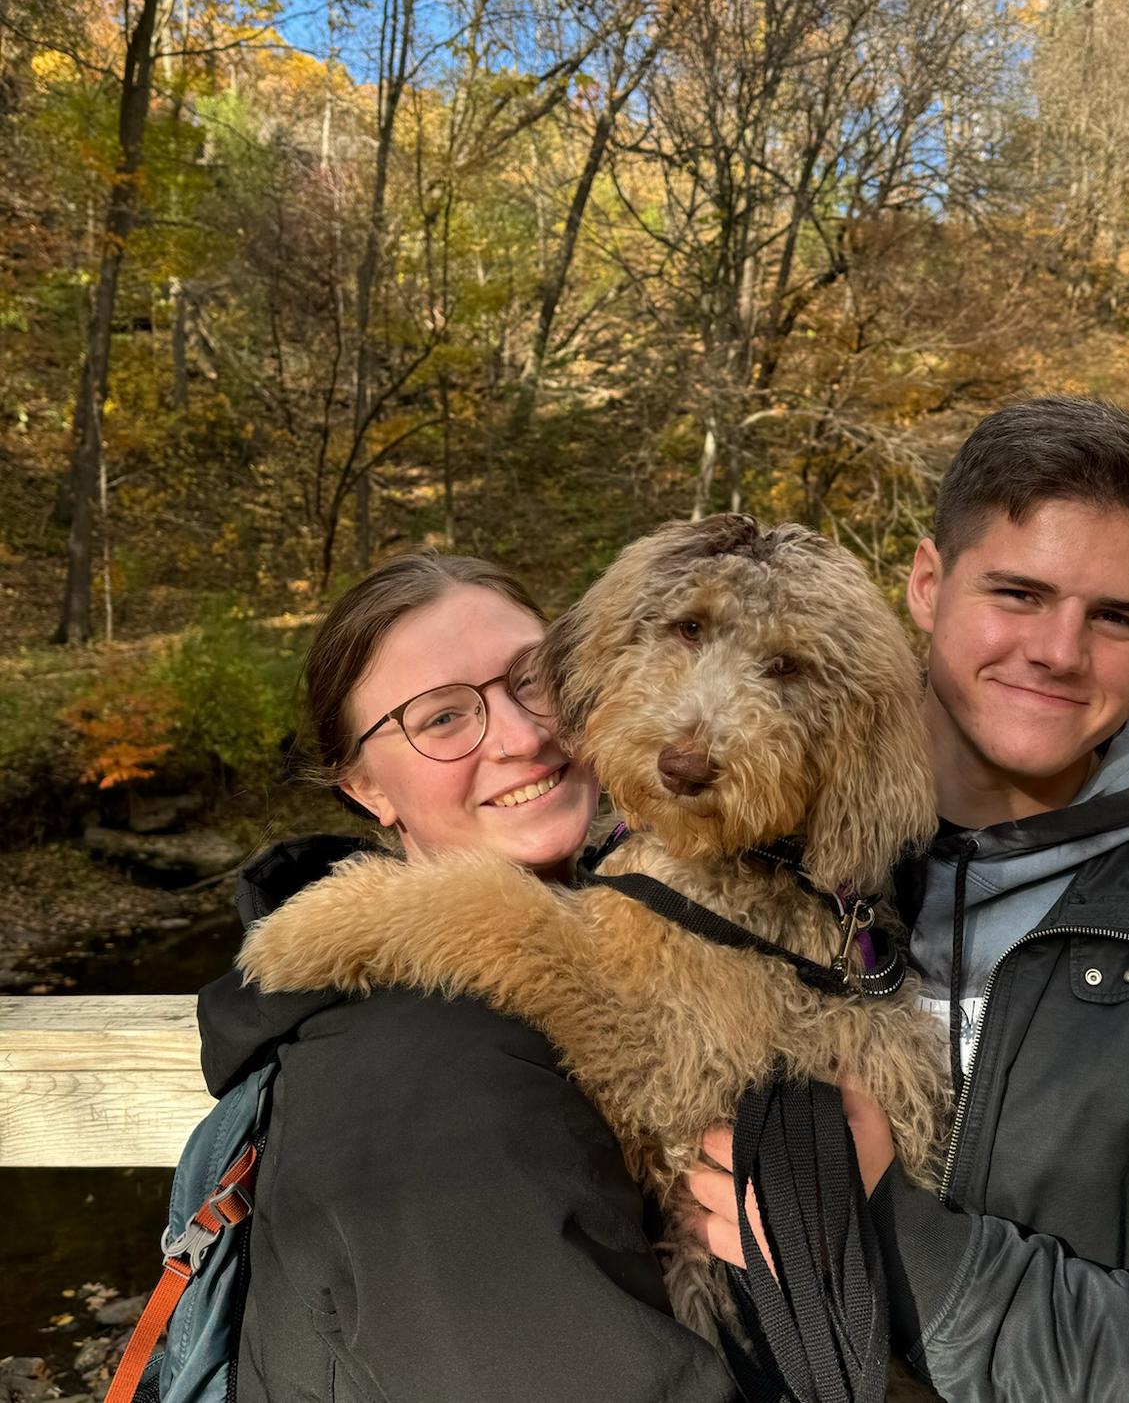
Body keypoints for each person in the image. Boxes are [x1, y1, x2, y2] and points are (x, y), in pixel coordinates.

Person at [694, 396, 1129, 1400]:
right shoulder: (749, 832)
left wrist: (892, 1239)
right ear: (929, 585)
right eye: (1019, 594)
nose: (1060, 651)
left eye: (1114, 617)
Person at [197, 551, 736, 1402]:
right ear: (366, 786)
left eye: (537, 679)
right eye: (443, 719)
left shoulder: (608, 955)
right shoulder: (430, 1062)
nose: (524, 736)